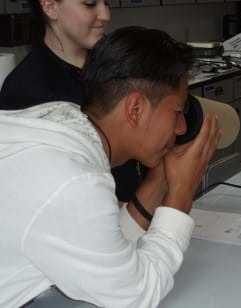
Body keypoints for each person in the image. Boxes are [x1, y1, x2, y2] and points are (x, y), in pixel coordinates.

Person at [0, 26, 221, 308]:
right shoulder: (73, 179)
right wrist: (181, 195)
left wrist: (161, 179)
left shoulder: (64, 121)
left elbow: (102, 247)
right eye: (177, 112)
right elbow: (136, 294)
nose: (181, 128)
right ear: (135, 109)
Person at [0, 0, 154, 203]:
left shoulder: (114, 62)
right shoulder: (28, 89)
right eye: (90, 4)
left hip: (140, 206)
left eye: (106, 3)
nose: (106, 15)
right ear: (50, 6)